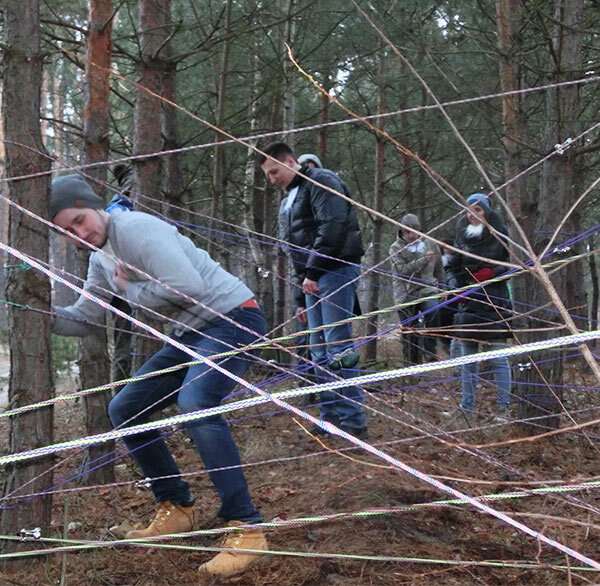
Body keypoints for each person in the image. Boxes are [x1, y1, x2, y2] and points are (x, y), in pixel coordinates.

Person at [49, 174, 268, 579]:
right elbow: (87, 317)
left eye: (80, 220)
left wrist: (130, 292)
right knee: (126, 407)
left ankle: (247, 527)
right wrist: (40, 313)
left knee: (195, 403)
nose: (80, 233)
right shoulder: (101, 258)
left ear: (93, 204)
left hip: (233, 317)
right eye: (68, 230)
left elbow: (188, 286)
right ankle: (177, 508)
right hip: (191, 333)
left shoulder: (135, 229)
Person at [258, 142, 368, 439]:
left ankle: (353, 421)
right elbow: (295, 251)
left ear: (291, 162)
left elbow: (332, 227)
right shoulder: (292, 198)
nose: (272, 180)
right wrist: (299, 298)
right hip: (313, 279)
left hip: (335, 271)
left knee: (338, 346)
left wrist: (313, 271)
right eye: (268, 175)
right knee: (318, 352)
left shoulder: (321, 181)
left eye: (274, 171)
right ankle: (329, 417)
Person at [445, 193, 512, 419]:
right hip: (469, 306)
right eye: (468, 210)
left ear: (487, 212)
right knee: (468, 360)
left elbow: (510, 268)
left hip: (495, 303)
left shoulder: (500, 234)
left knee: (499, 359)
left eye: (478, 210)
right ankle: (466, 408)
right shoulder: (461, 236)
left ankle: (504, 408)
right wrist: (456, 288)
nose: (472, 215)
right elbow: (451, 268)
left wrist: (492, 274)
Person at [389, 213, 444, 364]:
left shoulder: (430, 244)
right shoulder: (395, 248)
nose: (410, 235)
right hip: (406, 294)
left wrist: (443, 289)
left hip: (428, 288)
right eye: (407, 231)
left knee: (433, 311)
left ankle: (430, 352)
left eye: (413, 231)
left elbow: (439, 269)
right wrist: (423, 260)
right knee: (409, 331)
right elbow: (402, 271)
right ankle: (411, 365)